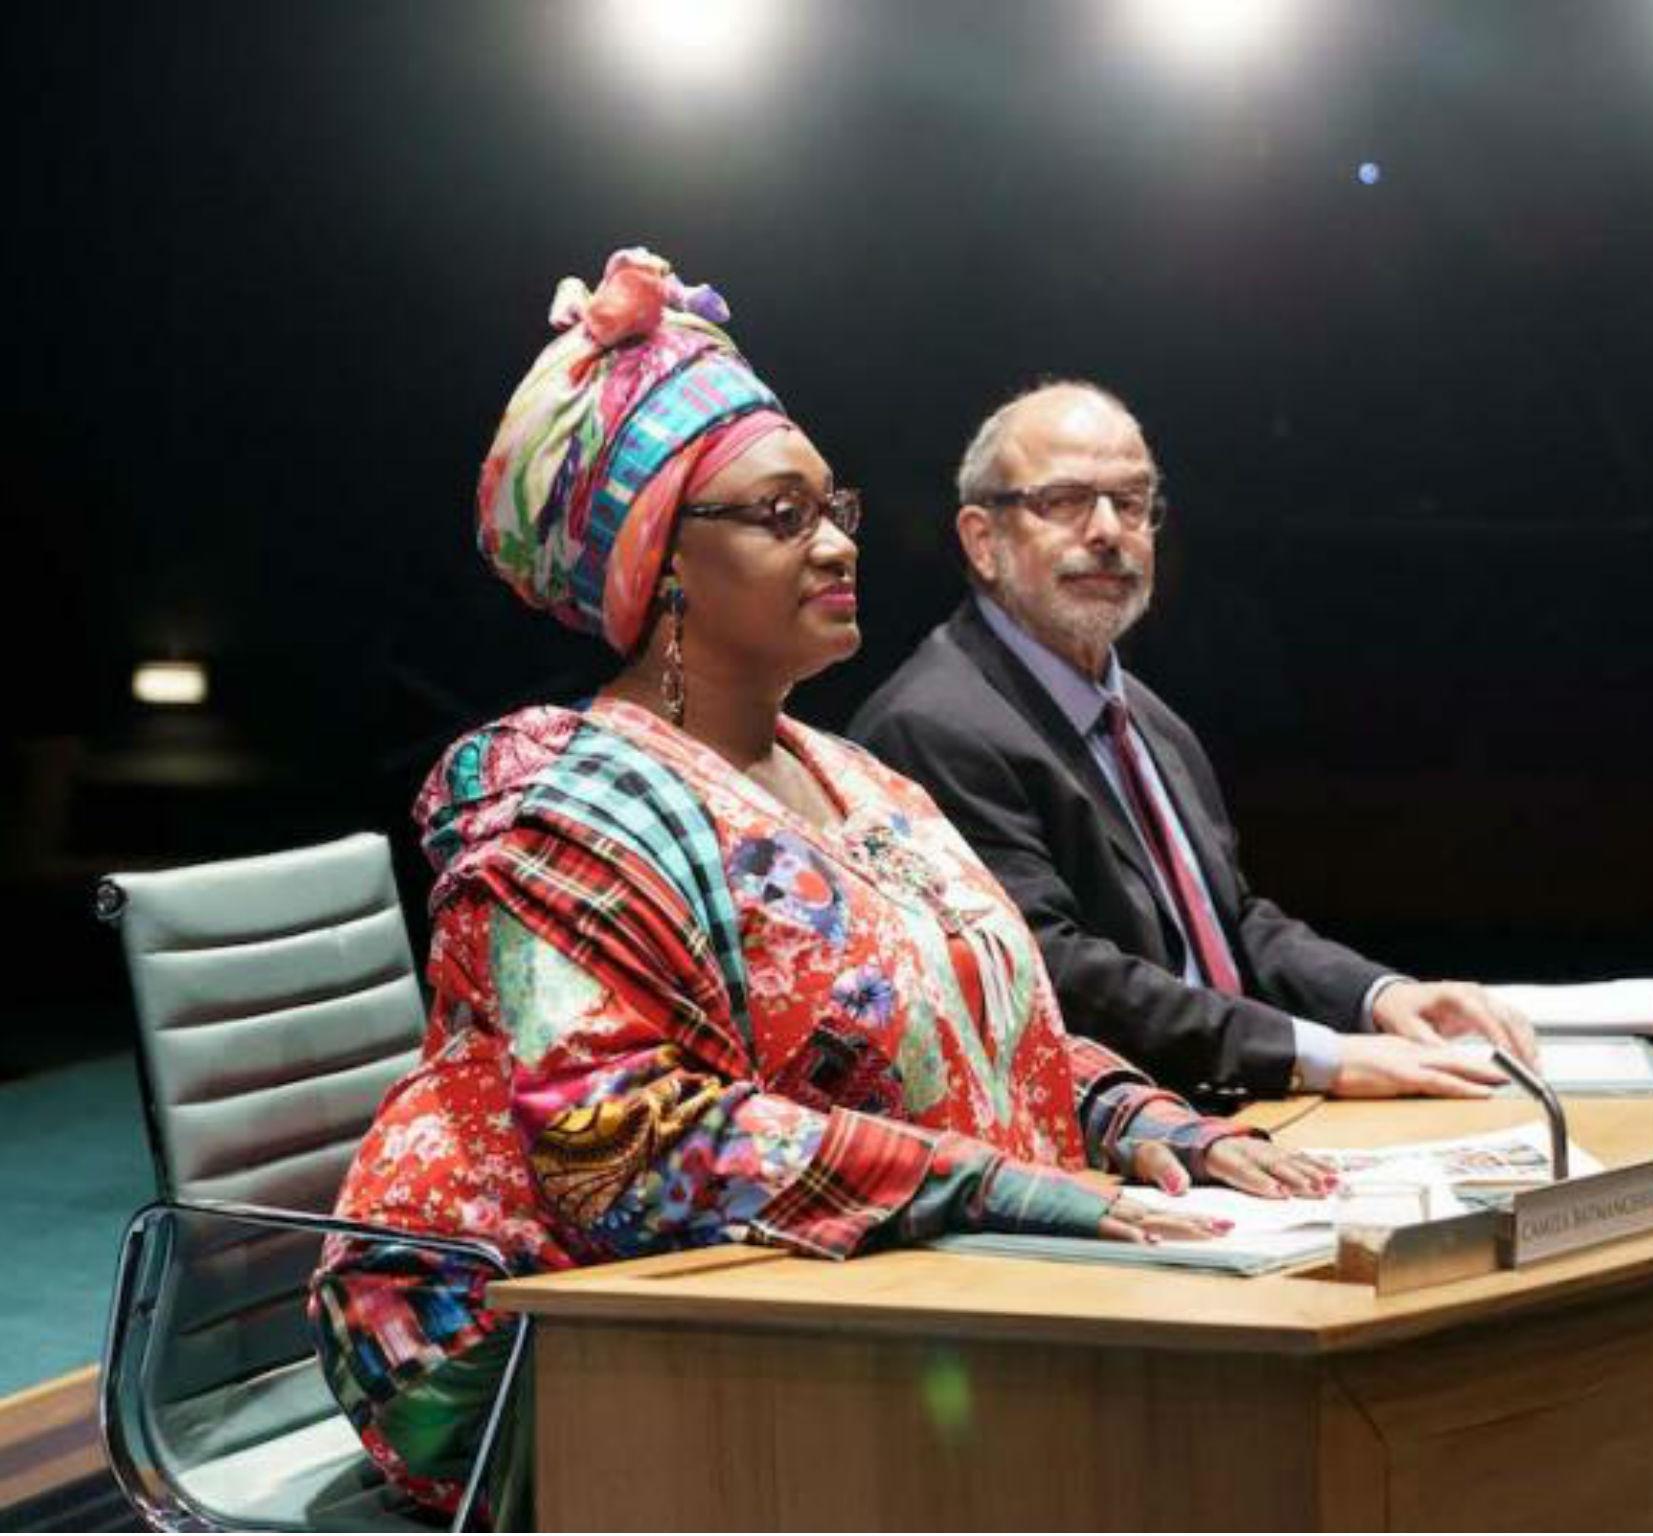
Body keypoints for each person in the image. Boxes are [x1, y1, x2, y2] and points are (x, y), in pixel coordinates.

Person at [310, 256, 1328, 1518]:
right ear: (659, 563)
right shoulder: (559, 810)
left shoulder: (852, 776)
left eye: (830, 504)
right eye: (780, 516)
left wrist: (1155, 1128)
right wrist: (1003, 1190)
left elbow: (988, 1028)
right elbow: (614, 1147)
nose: (841, 540)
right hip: (532, 1334)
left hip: (794, 1286)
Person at [850, 381, 1536, 1105]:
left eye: (1132, 500)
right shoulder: (933, 726)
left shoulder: (1144, 714)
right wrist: (1322, 1056)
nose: (1108, 530)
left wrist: (1379, 995)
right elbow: (1052, 975)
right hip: (1123, 1151)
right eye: (1066, 501)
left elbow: (1231, 924)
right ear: (982, 541)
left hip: (1239, 1110)